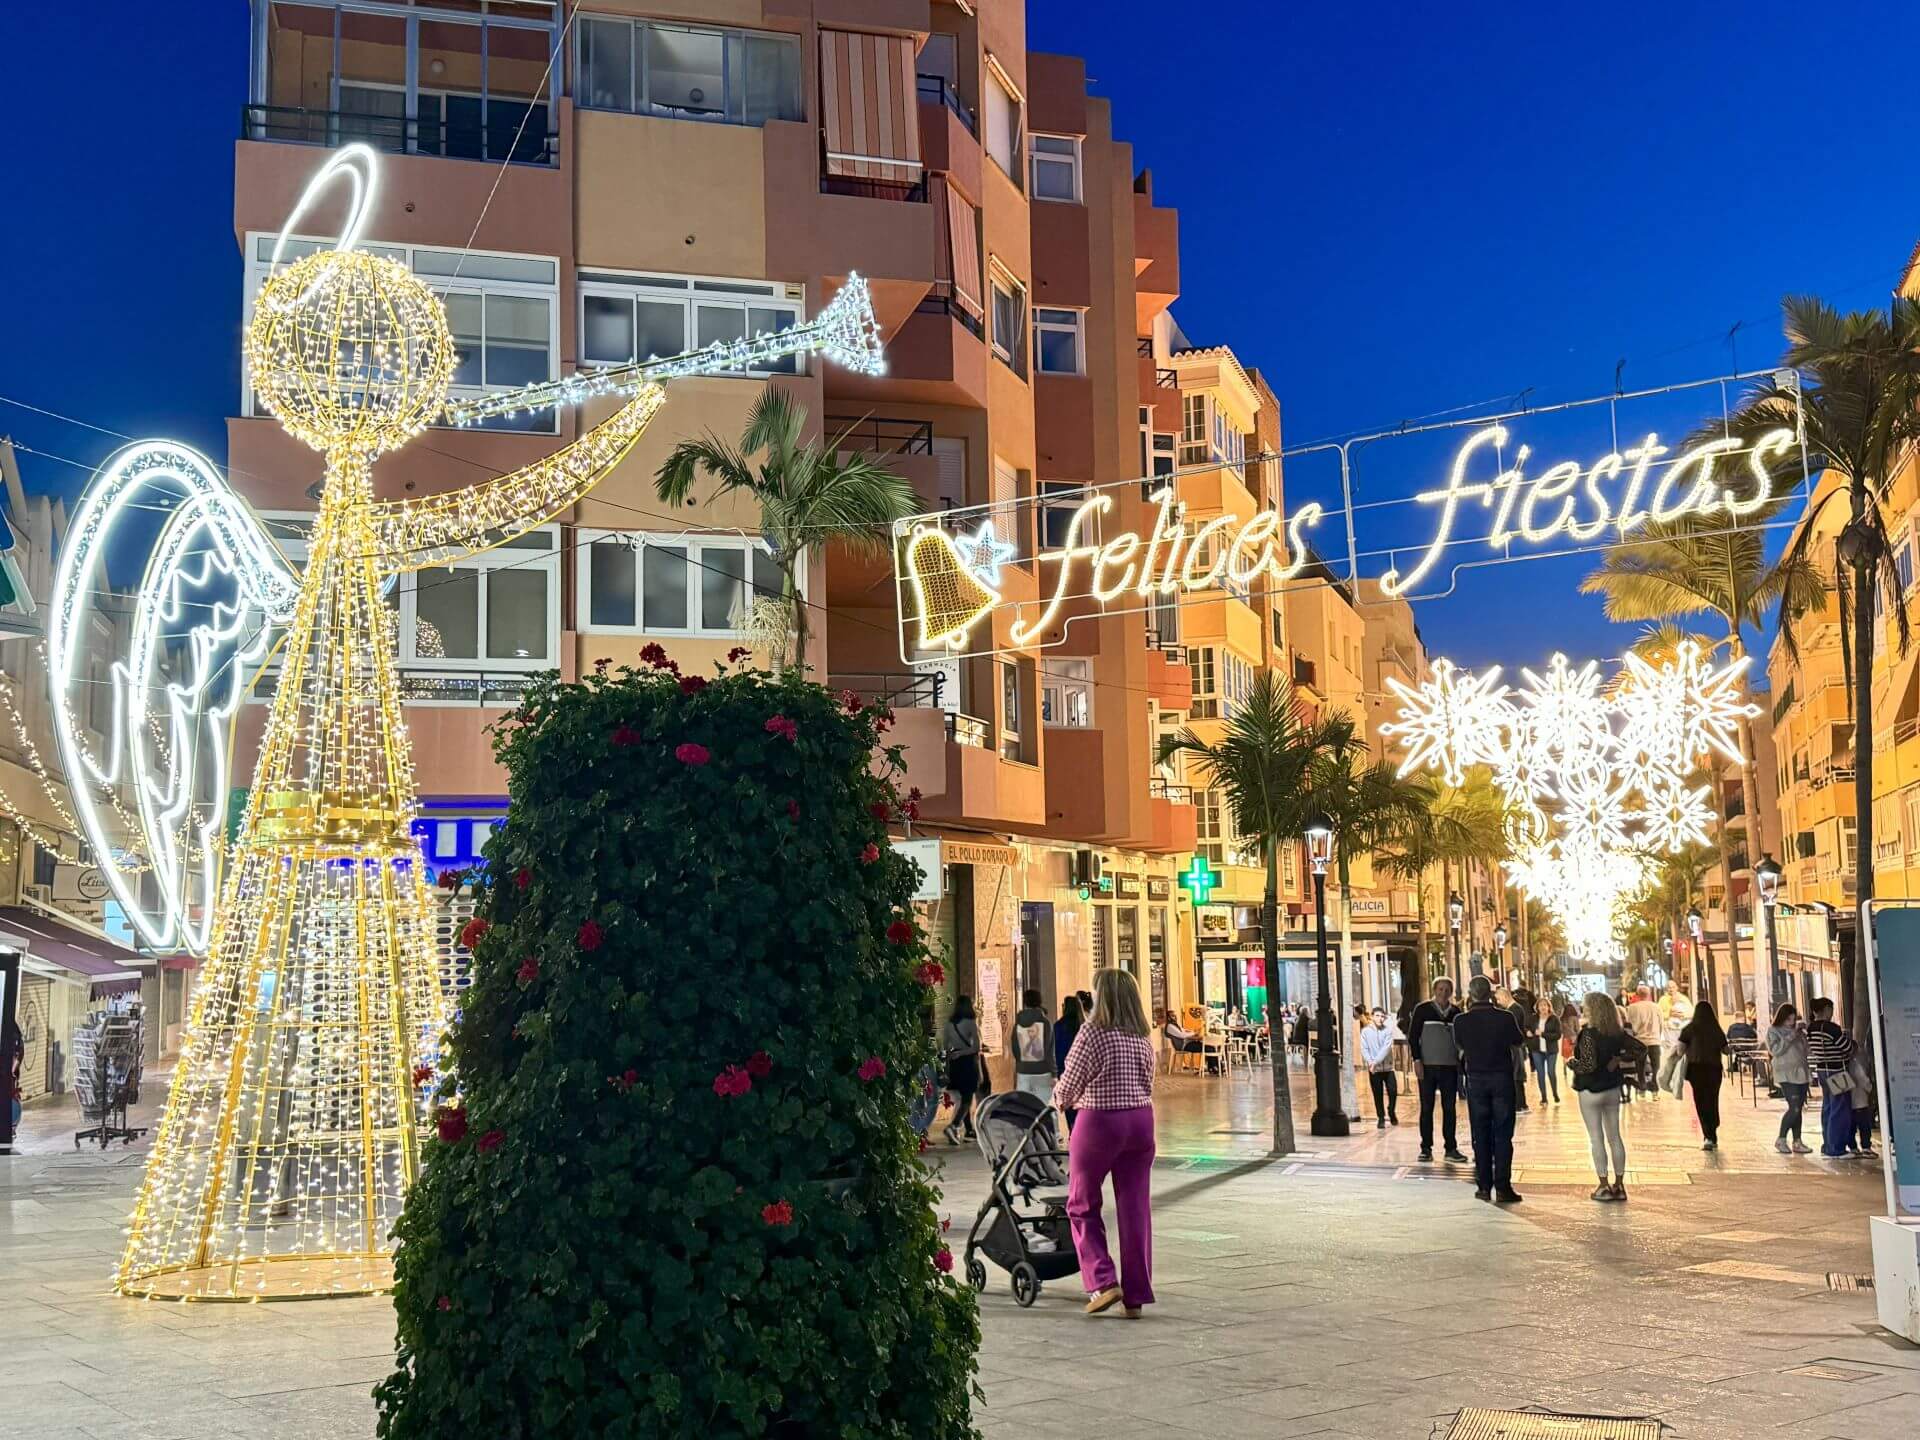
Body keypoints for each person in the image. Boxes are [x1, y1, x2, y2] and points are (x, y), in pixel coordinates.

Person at [1053, 968, 1157, 1318]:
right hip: (1141, 1121)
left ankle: (1102, 1280)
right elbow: (1149, 1080)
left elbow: (1070, 1082)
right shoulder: (1142, 1036)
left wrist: (1059, 1099)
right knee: (1135, 1208)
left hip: (1101, 1122)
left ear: (1103, 997)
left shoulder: (1092, 1032)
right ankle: (1136, 1296)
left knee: (1081, 1203)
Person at [1453, 976, 1525, 1203]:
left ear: (1471, 994)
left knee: (1481, 1133)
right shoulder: (1505, 1017)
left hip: (1476, 1078)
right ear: (1490, 993)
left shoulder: (1461, 1021)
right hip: (1502, 1077)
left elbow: (1460, 1045)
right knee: (1503, 1134)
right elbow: (1518, 1041)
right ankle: (1503, 1187)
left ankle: (1483, 1186)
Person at [1570, 992, 1640, 1201]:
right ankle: (1619, 1185)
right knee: (1615, 1137)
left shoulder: (1589, 1034)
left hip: (1590, 1090)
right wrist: (1618, 1059)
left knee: (1596, 1138)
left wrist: (1572, 1063)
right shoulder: (1617, 1033)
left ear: (1592, 1010)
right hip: (1612, 1088)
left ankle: (1603, 1186)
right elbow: (1640, 1048)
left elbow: (1588, 1065)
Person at [1406, 979, 1468, 1164]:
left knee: (1449, 1108)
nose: (1443, 992)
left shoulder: (1456, 1013)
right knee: (1427, 1107)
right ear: (1434, 990)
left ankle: (1451, 1148)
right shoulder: (1422, 1010)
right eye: (1440, 989)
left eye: (1447, 989)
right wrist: (1417, 1060)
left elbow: (1462, 1038)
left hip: (1449, 1067)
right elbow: (1413, 1036)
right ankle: (1426, 1148)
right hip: (1427, 1066)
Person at [1806, 997, 1859, 1157]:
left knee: (1828, 1107)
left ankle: (1828, 1144)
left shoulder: (1811, 1028)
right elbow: (1847, 1047)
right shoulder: (1831, 1028)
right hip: (1837, 1070)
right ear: (1827, 1009)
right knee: (1840, 1108)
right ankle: (1837, 1148)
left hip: (1822, 1069)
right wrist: (1854, 1044)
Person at [1677, 1000, 1728, 1151]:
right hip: (1714, 1069)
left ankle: (1708, 1136)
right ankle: (1713, 1127)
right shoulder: (1716, 1029)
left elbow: (1680, 1050)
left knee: (1700, 1101)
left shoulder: (1689, 1029)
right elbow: (1726, 1050)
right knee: (1712, 1099)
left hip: (1696, 1070)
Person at [1765, 1002, 1812, 1154]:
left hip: (1801, 1071)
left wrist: (1804, 1034)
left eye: (1793, 1019)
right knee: (1794, 1107)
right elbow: (1776, 1050)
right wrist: (1791, 1035)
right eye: (1788, 1020)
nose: (1791, 1023)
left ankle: (1797, 1140)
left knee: (1799, 1107)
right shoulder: (1773, 1031)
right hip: (1786, 1073)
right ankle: (1781, 1138)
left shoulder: (1798, 1032)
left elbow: (1807, 1049)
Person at [939, 997, 983, 1145]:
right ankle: (954, 1125)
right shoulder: (971, 1024)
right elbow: (977, 1047)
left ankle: (967, 1130)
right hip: (968, 1063)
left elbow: (944, 1047)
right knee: (967, 1098)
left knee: (962, 1097)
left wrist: (947, 1065)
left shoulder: (948, 1025)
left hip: (954, 1064)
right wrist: (963, 1052)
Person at [1011, 989, 1056, 1102]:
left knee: (1025, 1110)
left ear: (1025, 1003)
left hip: (1023, 1072)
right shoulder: (1045, 1023)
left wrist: (1021, 1063)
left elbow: (1015, 1048)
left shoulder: (1017, 1023)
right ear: (1039, 1002)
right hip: (1042, 1072)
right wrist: (1054, 1073)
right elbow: (1049, 1051)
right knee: (1042, 1109)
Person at [1360, 1007, 1398, 1127]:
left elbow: (1386, 1049)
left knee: (1393, 1091)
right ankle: (1381, 1117)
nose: (1380, 1018)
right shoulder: (1365, 1032)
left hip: (1388, 1068)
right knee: (1377, 1094)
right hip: (1374, 1069)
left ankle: (1391, 1111)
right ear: (1371, 1016)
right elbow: (1364, 1049)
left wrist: (1375, 1062)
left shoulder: (1387, 1031)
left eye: (1382, 1016)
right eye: (1377, 1015)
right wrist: (1370, 1062)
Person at [1625, 984, 1663, 1100]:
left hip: (1639, 1041)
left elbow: (1629, 1025)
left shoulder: (1631, 1008)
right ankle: (1654, 1090)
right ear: (1649, 994)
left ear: (1637, 995)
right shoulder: (1656, 1007)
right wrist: (1658, 1036)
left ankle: (1642, 1088)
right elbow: (1661, 1024)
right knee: (1655, 1066)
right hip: (1654, 1040)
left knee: (1640, 1066)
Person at [1529, 997, 1562, 1105]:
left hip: (1551, 1050)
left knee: (1551, 1072)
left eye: (1545, 1005)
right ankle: (1543, 1097)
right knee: (1540, 1073)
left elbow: (1558, 1035)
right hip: (1537, 1050)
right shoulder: (1533, 1018)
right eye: (1540, 1005)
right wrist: (1528, 1032)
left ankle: (1555, 1093)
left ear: (1549, 1007)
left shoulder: (1554, 1019)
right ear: (1537, 1007)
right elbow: (1526, 1027)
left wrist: (1543, 1034)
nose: (1543, 1007)